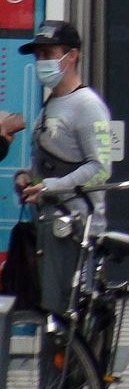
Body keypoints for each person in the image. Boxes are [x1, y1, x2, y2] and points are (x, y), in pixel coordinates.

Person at [13, 21, 112, 232]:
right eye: (38, 55)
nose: (41, 61)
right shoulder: (51, 103)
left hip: (78, 230)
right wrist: (27, 177)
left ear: (72, 56)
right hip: (47, 226)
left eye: (48, 54)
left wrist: (51, 187)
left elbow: (101, 170)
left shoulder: (88, 105)